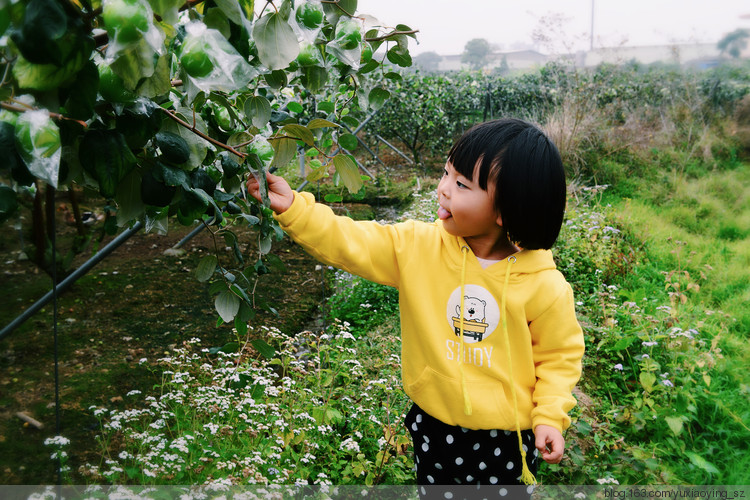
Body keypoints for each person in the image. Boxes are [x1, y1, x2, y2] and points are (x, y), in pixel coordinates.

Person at [246, 118, 585, 493]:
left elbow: (558, 358)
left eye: (461, 184)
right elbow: (351, 240)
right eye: (445, 173)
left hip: (506, 439)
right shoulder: (417, 248)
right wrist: (295, 208)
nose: (442, 189)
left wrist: (550, 418)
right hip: (433, 424)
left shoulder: (543, 286)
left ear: (505, 209)